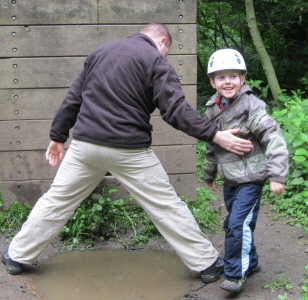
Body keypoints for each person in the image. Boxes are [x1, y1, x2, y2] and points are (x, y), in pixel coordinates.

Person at [1, 24, 253, 283]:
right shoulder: (156, 60)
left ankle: (16, 256)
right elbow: (175, 110)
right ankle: (207, 264)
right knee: (166, 206)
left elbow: (73, 98)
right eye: (166, 50)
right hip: (129, 150)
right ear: (162, 40)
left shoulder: (99, 53)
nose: (165, 55)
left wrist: (57, 137)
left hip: (85, 147)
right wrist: (214, 133)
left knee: (56, 201)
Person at [203, 48, 289, 292]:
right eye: (221, 77)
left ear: (243, 79)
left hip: (251, 178)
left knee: (236, 225)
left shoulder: (251, 106)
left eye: (233, 76)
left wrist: (276, 174)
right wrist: (209, 174)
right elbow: (211, 145)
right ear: (212, 82)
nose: (227, 81)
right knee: (236, 222)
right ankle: (250, 263)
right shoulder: (212, 109)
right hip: (230, 180)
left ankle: (234, 275)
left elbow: (274, 138)